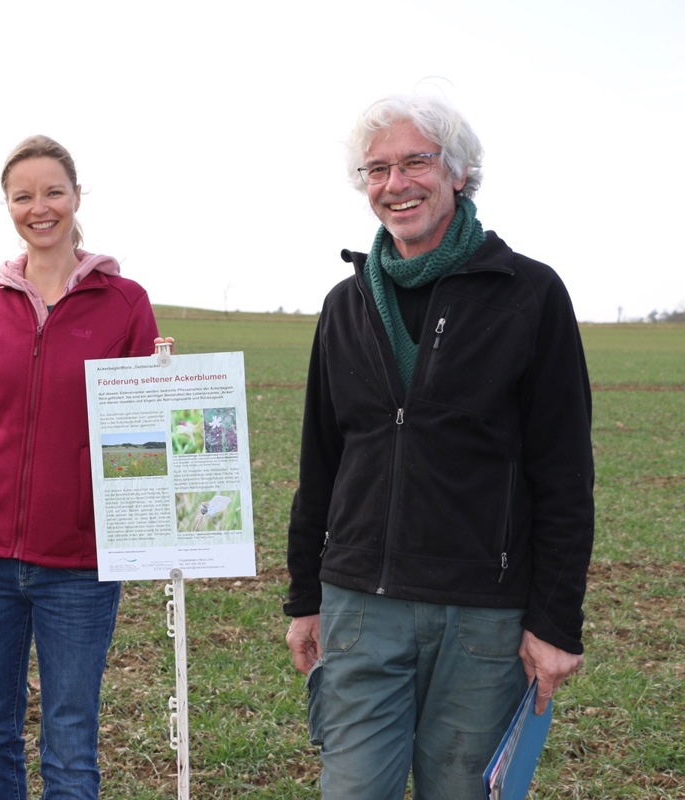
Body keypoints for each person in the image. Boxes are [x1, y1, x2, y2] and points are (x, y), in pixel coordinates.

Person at [283, 94, 594, 798]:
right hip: (360, 606)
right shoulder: (345, 305)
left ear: (458, 173)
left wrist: (555, 622)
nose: (396, 185)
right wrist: (306, 595)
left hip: (482, 618)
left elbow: (565, 474)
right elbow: (320, 463)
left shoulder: (529, 295)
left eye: (415, 162)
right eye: (378, 170)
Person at [0, 134, 160, 799]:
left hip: (79, 568)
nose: (39, 207)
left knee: (71, 735)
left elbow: (142, 438)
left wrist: (166, 389)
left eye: (53, 191)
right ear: (8, 206)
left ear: (77, 198)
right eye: (22, 196)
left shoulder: (126, 303)